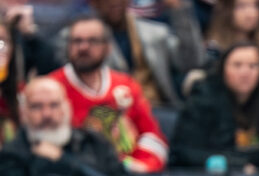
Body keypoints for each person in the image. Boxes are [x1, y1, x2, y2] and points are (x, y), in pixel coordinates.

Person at [0, 75, 140, 176]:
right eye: (37, 106)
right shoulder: (11, 155)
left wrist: (64, 161)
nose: (47, 114)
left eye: (54, 105)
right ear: (24, 113)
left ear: (67, 108)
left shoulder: (96, 145)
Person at [49, 16, 168, 172]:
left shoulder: (127, 86)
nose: (83, 47)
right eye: (77, 41)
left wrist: (136, 166)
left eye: (93, 41)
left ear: (108, 47)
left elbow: (152, 137)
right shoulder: (50, 88)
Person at [170, 41, 259, 172]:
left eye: (253, 66)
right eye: (237, 65)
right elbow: (184, 152)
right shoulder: (201, 100)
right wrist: (235, 166)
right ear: (223, 69)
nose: (245, 72)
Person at [53, 0, 204, 108]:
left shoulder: (155, 33)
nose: (114, 2)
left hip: (160, 107)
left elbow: (192, 62)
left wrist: (180, 10)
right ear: (93, 2)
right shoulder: (77, 40)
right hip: (107, 112)